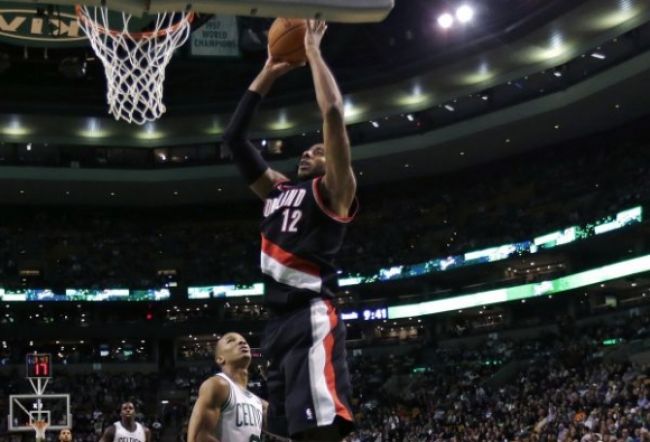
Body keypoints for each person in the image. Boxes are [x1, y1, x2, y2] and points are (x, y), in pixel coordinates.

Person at [222, 19, 356, 441]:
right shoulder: (278, 189)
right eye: (308, 148)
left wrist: (313, 51)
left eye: (318, 150)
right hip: (275, 326)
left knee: (319, 431)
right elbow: (234, 139)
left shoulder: (335, 190)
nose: (309, 151)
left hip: (310, 316)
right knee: (284, 434)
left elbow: (332, 113)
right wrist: (269, 69)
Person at [187, 332, 265, 442]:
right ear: (220, 359)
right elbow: (198, 437)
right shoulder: (217, 385)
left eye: (244, 341)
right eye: (231, 340)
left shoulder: (258, 402)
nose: (242, 342)